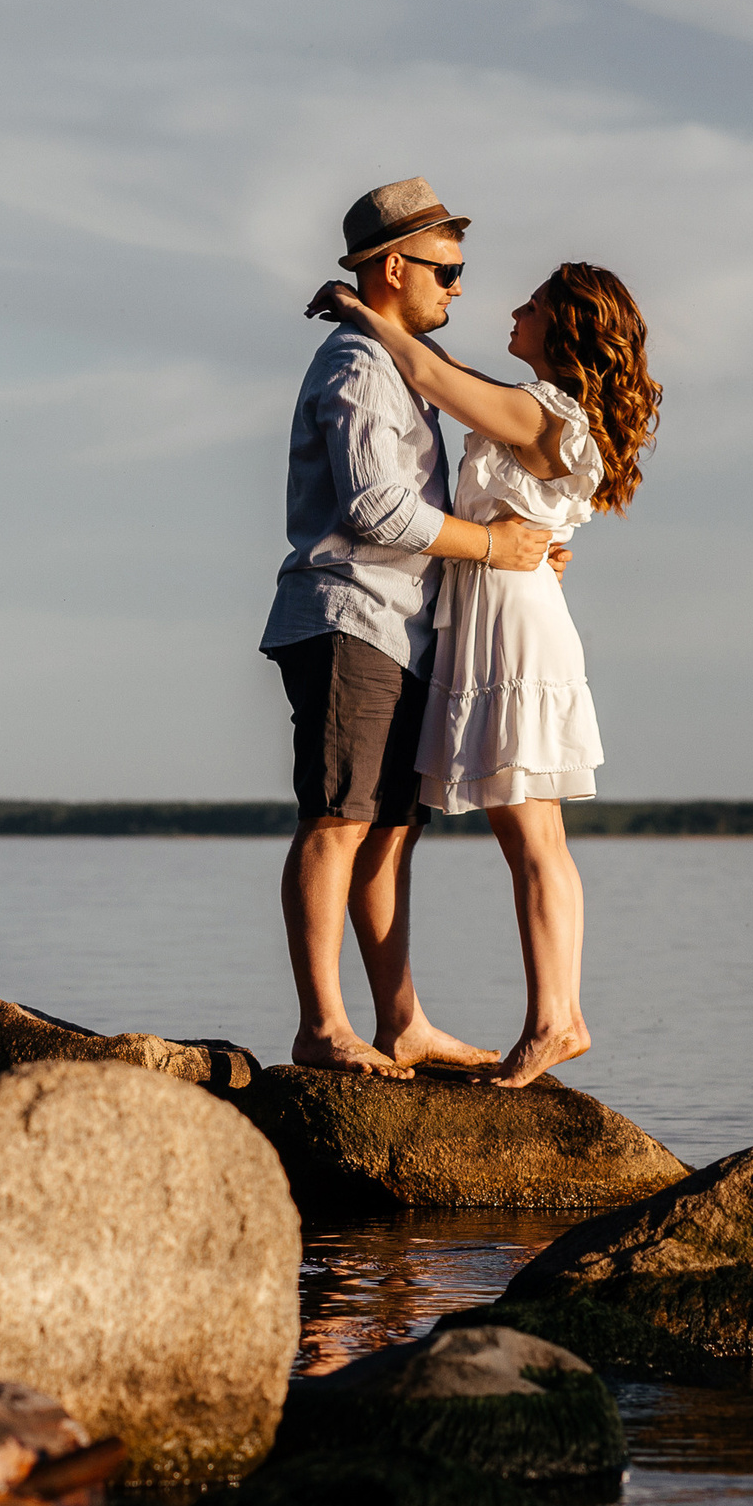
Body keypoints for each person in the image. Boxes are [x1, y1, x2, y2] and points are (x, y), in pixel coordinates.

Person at [307, 261, 661, 1086]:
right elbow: (454, 381)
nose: (511, 309)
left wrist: (362, 309)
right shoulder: (537, 406)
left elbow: (430, 371)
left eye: (531, 305)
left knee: (532, 832)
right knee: (526, 830)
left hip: (514, 625)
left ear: (565, 328)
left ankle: (556, 1019)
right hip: (502, 612)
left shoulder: (543, 411)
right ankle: (554, 1015)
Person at [259, 178, 557, 1078]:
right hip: (348, 616)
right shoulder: (356, 364)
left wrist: (513, 547)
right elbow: (378, 506)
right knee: (337, 820)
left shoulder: (394, 362)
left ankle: (403, 1023)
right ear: (395, 268)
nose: (458, 288)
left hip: (397, 628)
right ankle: (322, 1027)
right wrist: (494, 547)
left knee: (391, 828)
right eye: (447, 269)